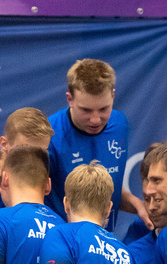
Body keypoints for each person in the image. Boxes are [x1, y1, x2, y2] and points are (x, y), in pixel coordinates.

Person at [46, 59, 149, 230]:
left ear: (113, 96)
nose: (95, 119)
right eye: (86, 110)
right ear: (69, 99)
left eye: (103, 109)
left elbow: (109, 189)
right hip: (63, 243)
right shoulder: (50, 135)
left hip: (105, 241)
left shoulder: (120, 125)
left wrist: (136, 204)